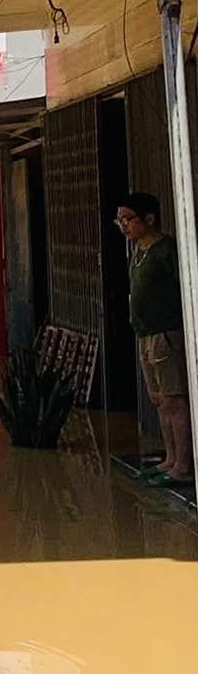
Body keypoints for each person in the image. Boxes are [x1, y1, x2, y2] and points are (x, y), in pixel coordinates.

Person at [117, 193, 192, 484]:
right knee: (160, 400)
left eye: (129, 219)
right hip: (144, 334)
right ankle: (170, 458)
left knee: (175, 399)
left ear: (149, 219)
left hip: (166, 334)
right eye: (120, 221)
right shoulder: (137, 251)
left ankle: (184, 466)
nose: (124, 226)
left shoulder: (167, 250)